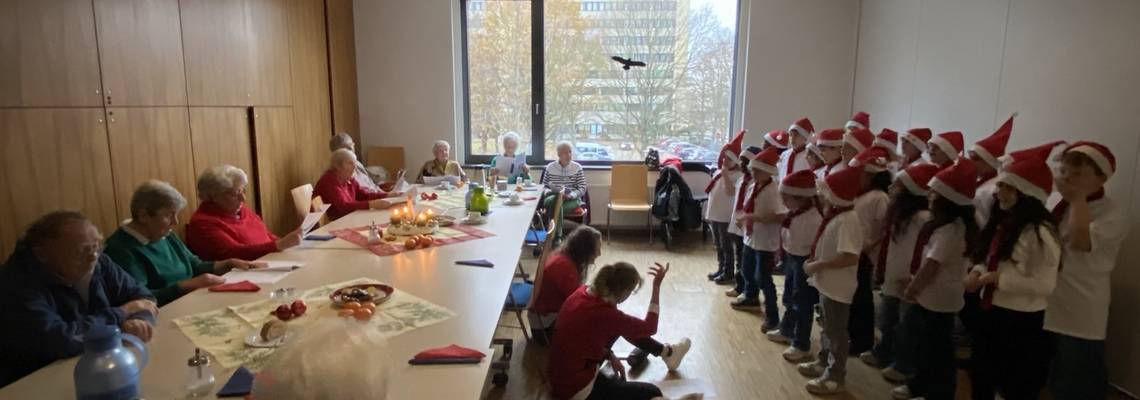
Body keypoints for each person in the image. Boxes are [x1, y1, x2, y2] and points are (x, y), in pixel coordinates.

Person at [0, 211, 157, 386]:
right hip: (34, 382)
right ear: (42, 254)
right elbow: (60, 340)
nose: (93, 257)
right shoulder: (17, 284)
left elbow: (144, 297)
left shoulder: (96, 261)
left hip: (97, 365)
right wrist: (122, 313)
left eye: (97, 246)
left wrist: (137, 321)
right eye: (82, 251)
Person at [959, 156, 1060, 400]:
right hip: (992, 311)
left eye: (1006, 187)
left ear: (1026, 193)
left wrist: (997, 279)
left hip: (1020, 321)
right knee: (981, 375)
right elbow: (990, 256)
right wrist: (977, 272)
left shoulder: (1040, 232)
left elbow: (1045, 284)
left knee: (1015, 384)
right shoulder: (1005, 221)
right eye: (1000, 186)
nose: (998, 192)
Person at [1044, 142, 1126, 400]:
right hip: (1049, 295)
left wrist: (1078, 198)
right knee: (1052, 372)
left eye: (1078, 174)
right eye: (1065, 171)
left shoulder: (1113, 212)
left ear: (1101, 178)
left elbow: (1081, 241)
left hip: (1081, 302)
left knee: (1078, 374)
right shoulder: (1058, 201)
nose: (1068, 178)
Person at [894, 159, 980, 400]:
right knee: (924, 346)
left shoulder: (951, 230)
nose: (929, 196)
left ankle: (938, 393)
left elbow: (932, 265)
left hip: (939, 299)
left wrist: (912, 288)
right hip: (931, 296)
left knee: (938, 351)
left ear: (947, 199)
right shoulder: (946, 226)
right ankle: (919, 384)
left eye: (935, 193)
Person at [104, 180, 266, 306]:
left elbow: (194, 265)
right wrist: (186, 286)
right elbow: (141, 298)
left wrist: (228, 263)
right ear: (144, 215)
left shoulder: (164, 234)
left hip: (193, 301)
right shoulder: (121, 249)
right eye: (168, 215)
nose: (175, 222)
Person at [547, 262, 692, 400]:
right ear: (624, 291)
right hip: (575, 390)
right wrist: (656, 287)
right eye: (632, 291)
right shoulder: (606, 314)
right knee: (652, 392)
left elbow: (581, 339)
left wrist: (610, 355)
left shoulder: (584, 292)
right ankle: (668, 353)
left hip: (561, 374)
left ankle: (668, 353)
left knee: (622, 329)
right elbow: (650, 327)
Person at [798, 166, 863, 395]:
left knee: (836, 332)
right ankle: (823, 362)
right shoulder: (837, 215)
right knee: (827, 327)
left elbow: (849, 256)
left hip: (838, 287)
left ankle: (835, 375)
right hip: (827, 283)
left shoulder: (847, 220)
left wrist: (818, 265)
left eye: (826, 192)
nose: (822, 195)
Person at [872, 163, 939, 385]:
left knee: (906, 324)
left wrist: (913, 275)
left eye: (898, 185)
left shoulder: (922, 217)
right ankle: (884, 352)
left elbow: (923, 250)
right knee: (887, 317)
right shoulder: (900, 213)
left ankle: (903, 364)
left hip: (908, 277)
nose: (892, 188)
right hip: (894, 272)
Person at [186, 165, 302, 261]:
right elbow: (233, 253)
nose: (243, 198)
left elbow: (267, 236)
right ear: (213, 196)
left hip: (270, 263)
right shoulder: (202, 223)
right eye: (234, 194)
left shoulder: (240, 209)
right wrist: (278, 245)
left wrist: (287, 242)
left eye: (243, 191)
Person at [767, 170, 823, 363]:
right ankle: (787, 329)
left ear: (800, 197)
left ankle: (801, 343)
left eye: (786, 197)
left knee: (802, 303)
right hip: (792, 258)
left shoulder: (813, 218)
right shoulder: (795, 214)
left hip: (804, 262)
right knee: (790, 297)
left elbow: (813, 246)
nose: (782, 200)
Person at [731, 147, 784, 333]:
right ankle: (750, 297)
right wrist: (744, 218)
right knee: (747, 270)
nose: (752, 172)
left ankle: (772, 315)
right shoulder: (754, 186)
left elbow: (781, 215)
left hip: (765, 242)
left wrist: (757, 218)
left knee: (763, 277)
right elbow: (748, 207)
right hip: (751, 237)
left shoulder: (773, 190)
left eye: (756, 170)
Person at [847, 148, 891, 362]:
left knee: (861, 298)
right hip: (853, 251)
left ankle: (862, 340)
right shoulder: (860, 195)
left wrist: (869, 246)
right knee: (852, 297)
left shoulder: (879, 197)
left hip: (864, 254)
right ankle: (853, 336)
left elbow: (884, 229)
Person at [529, 226, 603, 340]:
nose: (599, 253)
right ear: (585, 249)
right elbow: (578, 302)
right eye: (597, 249)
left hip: (546, 320)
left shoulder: (565, 258)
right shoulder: (564, 268)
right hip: (545, 328)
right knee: (603, 323)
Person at [315, 149, 401, 220]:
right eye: (350, 163)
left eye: (355, 163)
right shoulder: (328, 181)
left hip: (347, 218)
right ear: (338, 165)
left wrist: (387, 195)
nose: (354, 167)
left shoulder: (349, 178)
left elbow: (364, 195)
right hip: (334, 223)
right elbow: (343, 207)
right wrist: (372, 204)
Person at [706, 131, 745, 284]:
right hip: (715, 214)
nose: (725, 161)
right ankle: (721, 268)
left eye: (729, 159)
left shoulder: (738, 176)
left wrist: (726, 175)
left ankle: (729, 272)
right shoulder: (718, 172)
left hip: (725, 216)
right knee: (718, 244)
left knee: (726, 244)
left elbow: (731, 192)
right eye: (725, 158)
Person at [724, 146, 757, 298]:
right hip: (737, 222)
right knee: (739, 256)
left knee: (747, 260)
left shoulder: (755, 182)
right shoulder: (741, 178)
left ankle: (748, 290)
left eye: (745, 161)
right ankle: (739, 286)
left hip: (747, 224)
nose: (742, 164)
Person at [541, 141, 588, 216]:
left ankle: (552, 225)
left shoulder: (577, 167)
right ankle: (555, 225)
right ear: (559, 154)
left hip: (572, 199)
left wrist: (571, 195)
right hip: (554, 197)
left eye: (570, 152)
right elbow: (543, 187)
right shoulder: (550, 167)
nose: (569, 155)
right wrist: (550, 192)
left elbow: (582, 188)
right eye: (565, 153)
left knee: (554, 207)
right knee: (547, 202)